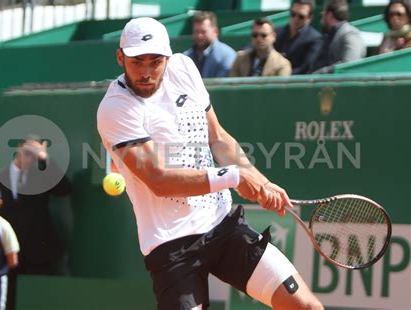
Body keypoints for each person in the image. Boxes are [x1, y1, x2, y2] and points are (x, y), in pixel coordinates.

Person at [97, 17, 323, 310]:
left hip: (223, 225)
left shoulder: (183, 68)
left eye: (155, 62)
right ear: (120, 58)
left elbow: (217, 138)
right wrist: (236, 177)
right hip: (171, 245)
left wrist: (261, 181)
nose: (146, 72)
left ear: (167, 57)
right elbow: (158, 180)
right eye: (137, 62)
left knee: (306, 306)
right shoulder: (116, 108)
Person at [0, 136, 71, 310]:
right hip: (6, 255)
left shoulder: (42, 177)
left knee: (37, 301)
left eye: (34, 155)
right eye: (27, 152)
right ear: (18, 148)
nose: (30, 157)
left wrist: (45, 158)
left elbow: (65, 189)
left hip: (39, 254)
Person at [311, 0, 366, 73]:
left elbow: (350, 64)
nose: (321, 20)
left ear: (329, 15)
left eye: (322, 15)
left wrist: (319, 73)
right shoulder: (329, 35)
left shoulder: (350, 34)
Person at [274, 0, 323, 74]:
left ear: (310, 18)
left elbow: (306, 67)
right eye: (293, 14)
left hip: (294, 82)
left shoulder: (315, 39)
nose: (296, 19)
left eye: (301, 16)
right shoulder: (278, 32)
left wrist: (283, 74)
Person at [184, 11, 237, 78]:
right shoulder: (186, 57)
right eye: (196, 32)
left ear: (215, 32)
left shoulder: (227, 55)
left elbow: (222, 86)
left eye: (203, 32)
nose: (199, 36)